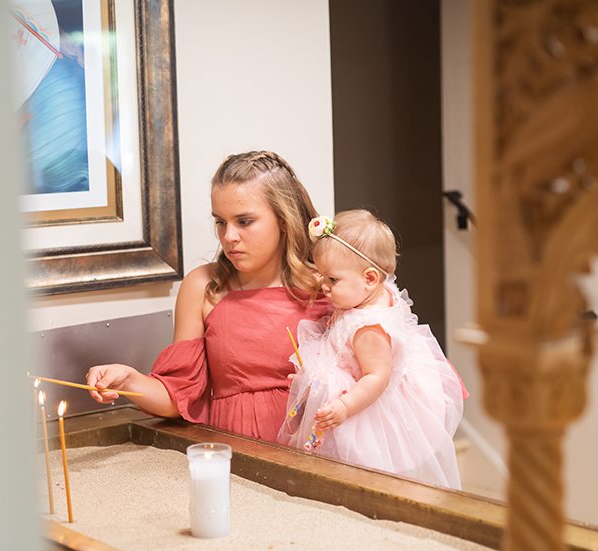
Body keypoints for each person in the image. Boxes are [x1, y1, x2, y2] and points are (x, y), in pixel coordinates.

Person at [86, 151, 330, 441]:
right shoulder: (202, 286)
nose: (228, 237)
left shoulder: (328, 286)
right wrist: (129, 380)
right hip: (236, 453)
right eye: (220, 222)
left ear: (284, 220)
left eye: (244, 221)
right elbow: (179, 394)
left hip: (313, 451)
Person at [278, 210, 465, 489]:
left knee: (359, 472)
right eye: (322, 276)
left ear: (370, 278)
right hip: (360, 380)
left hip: (365, 405)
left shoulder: (368, 328)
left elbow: (377, 376)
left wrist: (344, 406)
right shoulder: (374, 293)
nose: (323, 287)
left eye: (333, 279)